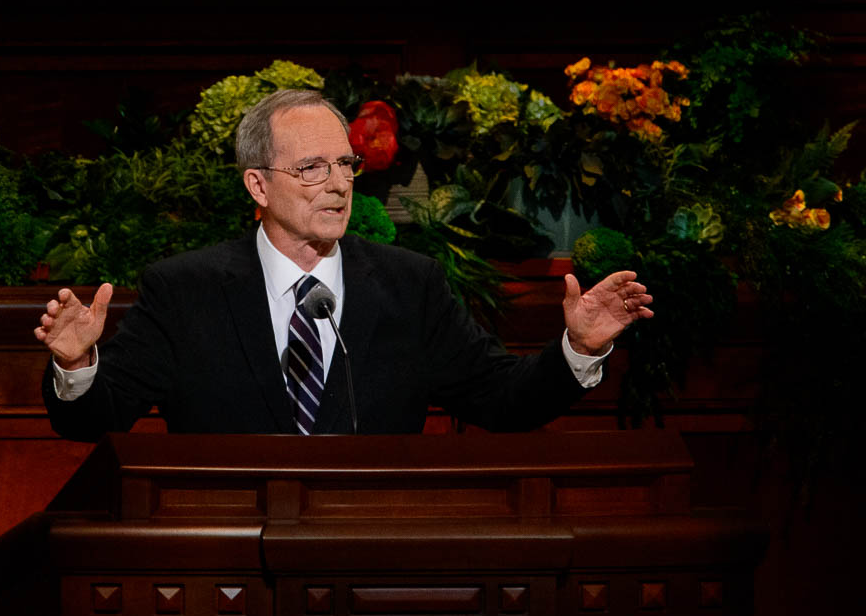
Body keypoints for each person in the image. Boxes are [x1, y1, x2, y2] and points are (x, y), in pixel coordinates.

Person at [35, 89, 653, 441]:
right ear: (257, 184)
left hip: (374, 560)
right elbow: (96, 422)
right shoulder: (186, 289)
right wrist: (76, 364)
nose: (337, 186)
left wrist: (576, 350)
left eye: (345, 165)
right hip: (224, 565)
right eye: (311, 168)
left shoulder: (411, 285)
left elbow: (501, 400)